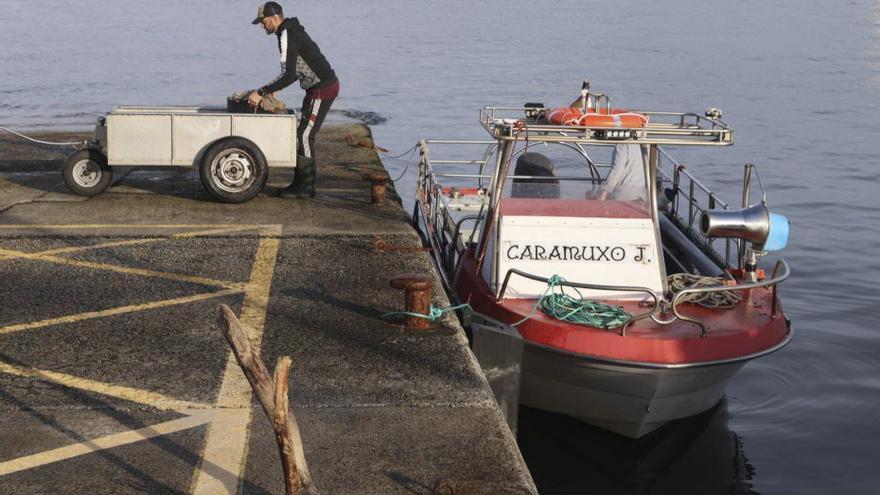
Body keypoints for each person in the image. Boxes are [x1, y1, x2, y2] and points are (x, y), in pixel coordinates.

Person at [249, 1, 339, 198]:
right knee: (301, 133)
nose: (262, 27)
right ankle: (300, 184)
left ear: (274, 18)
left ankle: (306, 188)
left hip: (322, 88)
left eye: (263, 22)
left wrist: (261, 92)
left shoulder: (287, 34)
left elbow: (288, 75)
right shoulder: (286, 32)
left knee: (305, 136)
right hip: (315, 88)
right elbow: (291, 70)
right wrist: (274, 89)